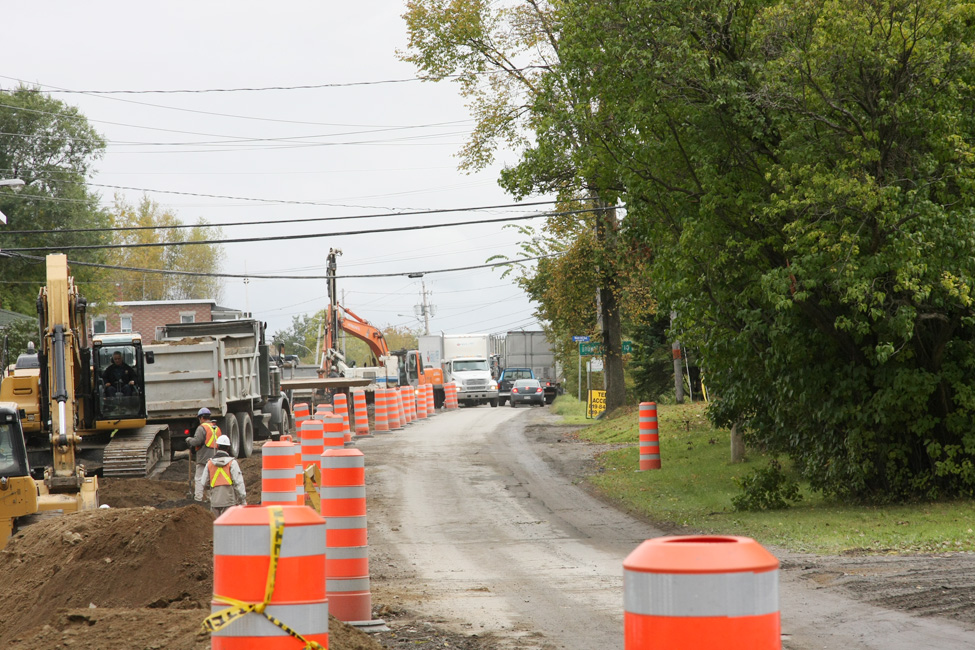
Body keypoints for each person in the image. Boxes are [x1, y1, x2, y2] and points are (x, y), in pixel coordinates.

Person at [195, 434, 246, 516]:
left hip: (215, 501)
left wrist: (211, 488)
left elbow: (203, 482)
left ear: (217, 446)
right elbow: (238, 482)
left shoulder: (210, 463)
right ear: (228, 448)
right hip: (229, 500)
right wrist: (242, 499)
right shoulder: (232, 463)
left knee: (216, 525)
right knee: (228, 524)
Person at [186, 407, 221, 500]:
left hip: (203, 457)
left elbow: (196, 441)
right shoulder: (216, 428)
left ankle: (198, 498)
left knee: (199, 478)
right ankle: (212, 498)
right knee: (211, 478)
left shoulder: (202, 428)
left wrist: (189, 440)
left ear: (201, 418)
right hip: (215, 457)